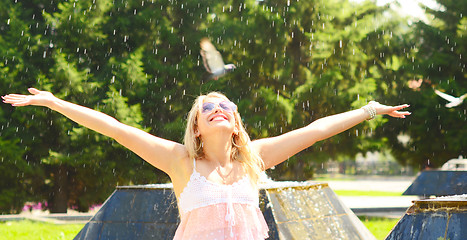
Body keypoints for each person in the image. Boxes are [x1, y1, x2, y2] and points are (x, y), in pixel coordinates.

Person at [2, 88, 410, 239]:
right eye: (207, 107)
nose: (218, 108)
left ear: (234, 124)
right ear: (196, 127)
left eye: (225, 105)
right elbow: (115, 129)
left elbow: (317, 130)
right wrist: (55, 103)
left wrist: (369, 110)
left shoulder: (255, 159)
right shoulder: (180, 162)